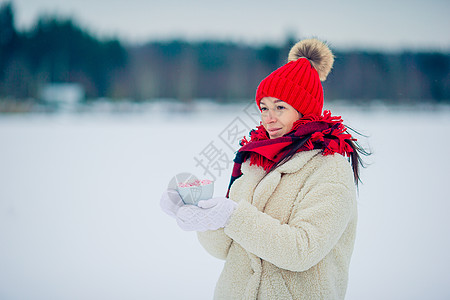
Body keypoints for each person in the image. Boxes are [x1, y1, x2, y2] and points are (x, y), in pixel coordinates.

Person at [160, 38, 367, 299]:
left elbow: (302, 250)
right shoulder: (256, 161)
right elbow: (225, 249)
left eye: (280, 107)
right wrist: (199, 213)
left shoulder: (330, 168)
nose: (269, 118)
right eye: (264, 108)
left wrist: (233, 216)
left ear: (305, 110)